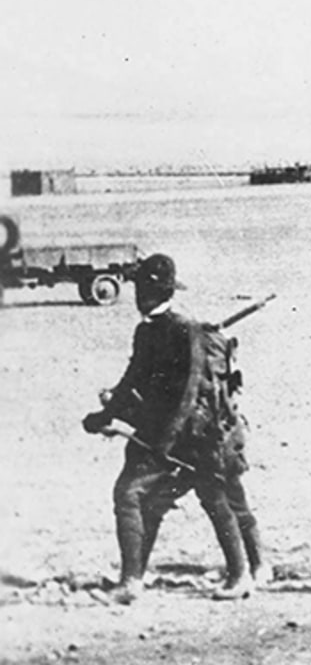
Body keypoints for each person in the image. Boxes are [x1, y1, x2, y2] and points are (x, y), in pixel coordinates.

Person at [81, 254, 252, 603]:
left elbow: (190, 391)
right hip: (157, 432)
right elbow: (133, 378)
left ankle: (240, 575)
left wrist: (169, 439)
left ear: (159, 290)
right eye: (139, 287)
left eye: (146, 288)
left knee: (208, 498)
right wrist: (106, 414)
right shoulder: (145, 331)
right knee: (143, 499)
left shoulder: (183, 329)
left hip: (194, 434)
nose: (140, 295)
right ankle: (133, 580)